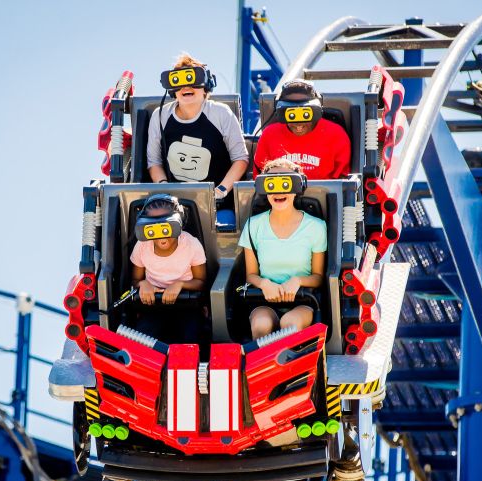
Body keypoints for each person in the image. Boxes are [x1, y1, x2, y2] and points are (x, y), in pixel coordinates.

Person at [147, 53, 248, 213]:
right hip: (173, 206)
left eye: (193, 80)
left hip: (218, 206)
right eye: (179, 82)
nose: (186, 87)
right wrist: (165, 190)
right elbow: (154, 162)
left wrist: (220, 192)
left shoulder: (220, 113)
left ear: (205, 87)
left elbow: (240, 159)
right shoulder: (160, 116)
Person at [239, 158, 327, 338]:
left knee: (289, 324)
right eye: (272, 184)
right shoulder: (253, 225)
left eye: (285, 183)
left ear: (298, 187)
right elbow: (251, 275)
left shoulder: (316, 226)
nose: (278, 191)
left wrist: (297, 281)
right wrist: (264, 284)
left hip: (302, 300)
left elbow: (318, 277)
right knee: (261, 325)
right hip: (263, 299)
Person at [129, 194, 207, 343]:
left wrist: (179, 285)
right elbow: (134, 280)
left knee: (191, 337)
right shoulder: (142, 246)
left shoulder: (192, 244)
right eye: (154, 228)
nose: (162, 237)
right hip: (153, 307)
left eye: (166, 227)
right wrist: (143, 284)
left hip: (186, 305)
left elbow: (201, 282)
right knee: (143, 339)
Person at [254, 79, 350, 179]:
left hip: (324, 190)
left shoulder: (336, 134)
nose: (298, 124)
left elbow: (343, 180)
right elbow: (259, 177)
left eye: (305, 115)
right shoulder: (269, 135)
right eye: (292, 115)